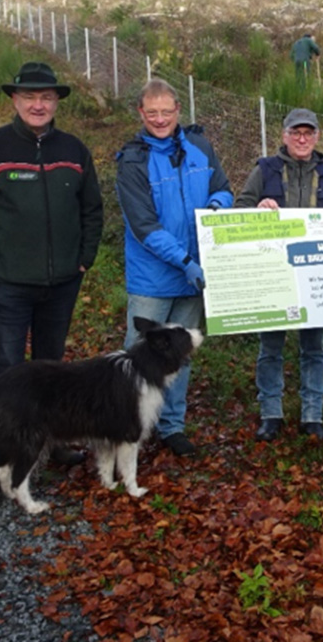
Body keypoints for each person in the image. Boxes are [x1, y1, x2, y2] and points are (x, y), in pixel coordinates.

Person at [0, 61, 105, 499]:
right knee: (7, 373)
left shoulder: (74, 150)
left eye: (47, 98)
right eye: (29, 97)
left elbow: (91, 210)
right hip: (8, 283)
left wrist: (84, 259)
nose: (38, 105)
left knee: (52, 370)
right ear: (14, 100)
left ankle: (49, 442)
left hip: (61, 283)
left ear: (56, 102)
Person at [115, 78, 233, 457]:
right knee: (137, 358)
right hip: (154, 278)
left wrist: (216, 208)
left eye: (167, 112)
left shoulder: (199, 146)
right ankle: (126, 428)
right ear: (141, 113)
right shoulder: (133, 160)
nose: (161, 119)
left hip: (194, 274)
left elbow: (223, 187)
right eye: (153, 113)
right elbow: (144, 226)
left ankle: (172, 426)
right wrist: (185, 262)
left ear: (178, 111)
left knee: (179, 356)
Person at [237, 108, 323, 442]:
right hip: (273, 273)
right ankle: (271, 413)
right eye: (295, 132)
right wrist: (258, 209)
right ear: (283, 135)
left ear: (317, 137)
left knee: (314, 348)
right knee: (271, 347)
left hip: (315, 273)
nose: (301, 138)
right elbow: (239, 208)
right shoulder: (264, 169)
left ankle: (312, 415)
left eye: (308, 133)